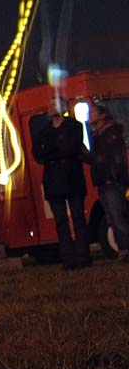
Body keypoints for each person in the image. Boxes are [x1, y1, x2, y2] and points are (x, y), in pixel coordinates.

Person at [32, 102, 92, 269]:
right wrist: (56, 150)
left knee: (78, 218)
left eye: (55, 105)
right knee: (60, 221)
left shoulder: (75, 126)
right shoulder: (44, 132)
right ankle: (68, 258)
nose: (51, 108)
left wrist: (51, 152)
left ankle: (83, 257)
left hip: (72, 177)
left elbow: (71, 148)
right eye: (50, 105)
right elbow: (37, 154)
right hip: (54, 181)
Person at [88, 102, 129, 259]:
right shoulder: (100, 134)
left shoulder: (110, 133)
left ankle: (125, 250)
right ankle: (123, 251)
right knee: (112, 218)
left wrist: (112, 177)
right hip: (104, 181)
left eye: (93, 112)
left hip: (110, 181)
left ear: (102, 115)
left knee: (118, 217)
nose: (90, 116)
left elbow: (113, 158)